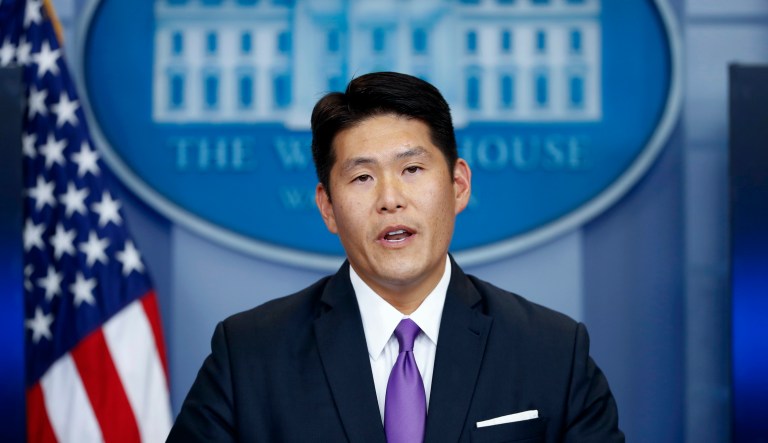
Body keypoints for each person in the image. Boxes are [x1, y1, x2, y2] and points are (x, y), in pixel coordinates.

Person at [167, 72, 624, 442]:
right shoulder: (249, 355)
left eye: (412, 169)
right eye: (362, 178)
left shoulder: (552, 351)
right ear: (328, 207)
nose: (390, 199)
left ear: (458, 185)